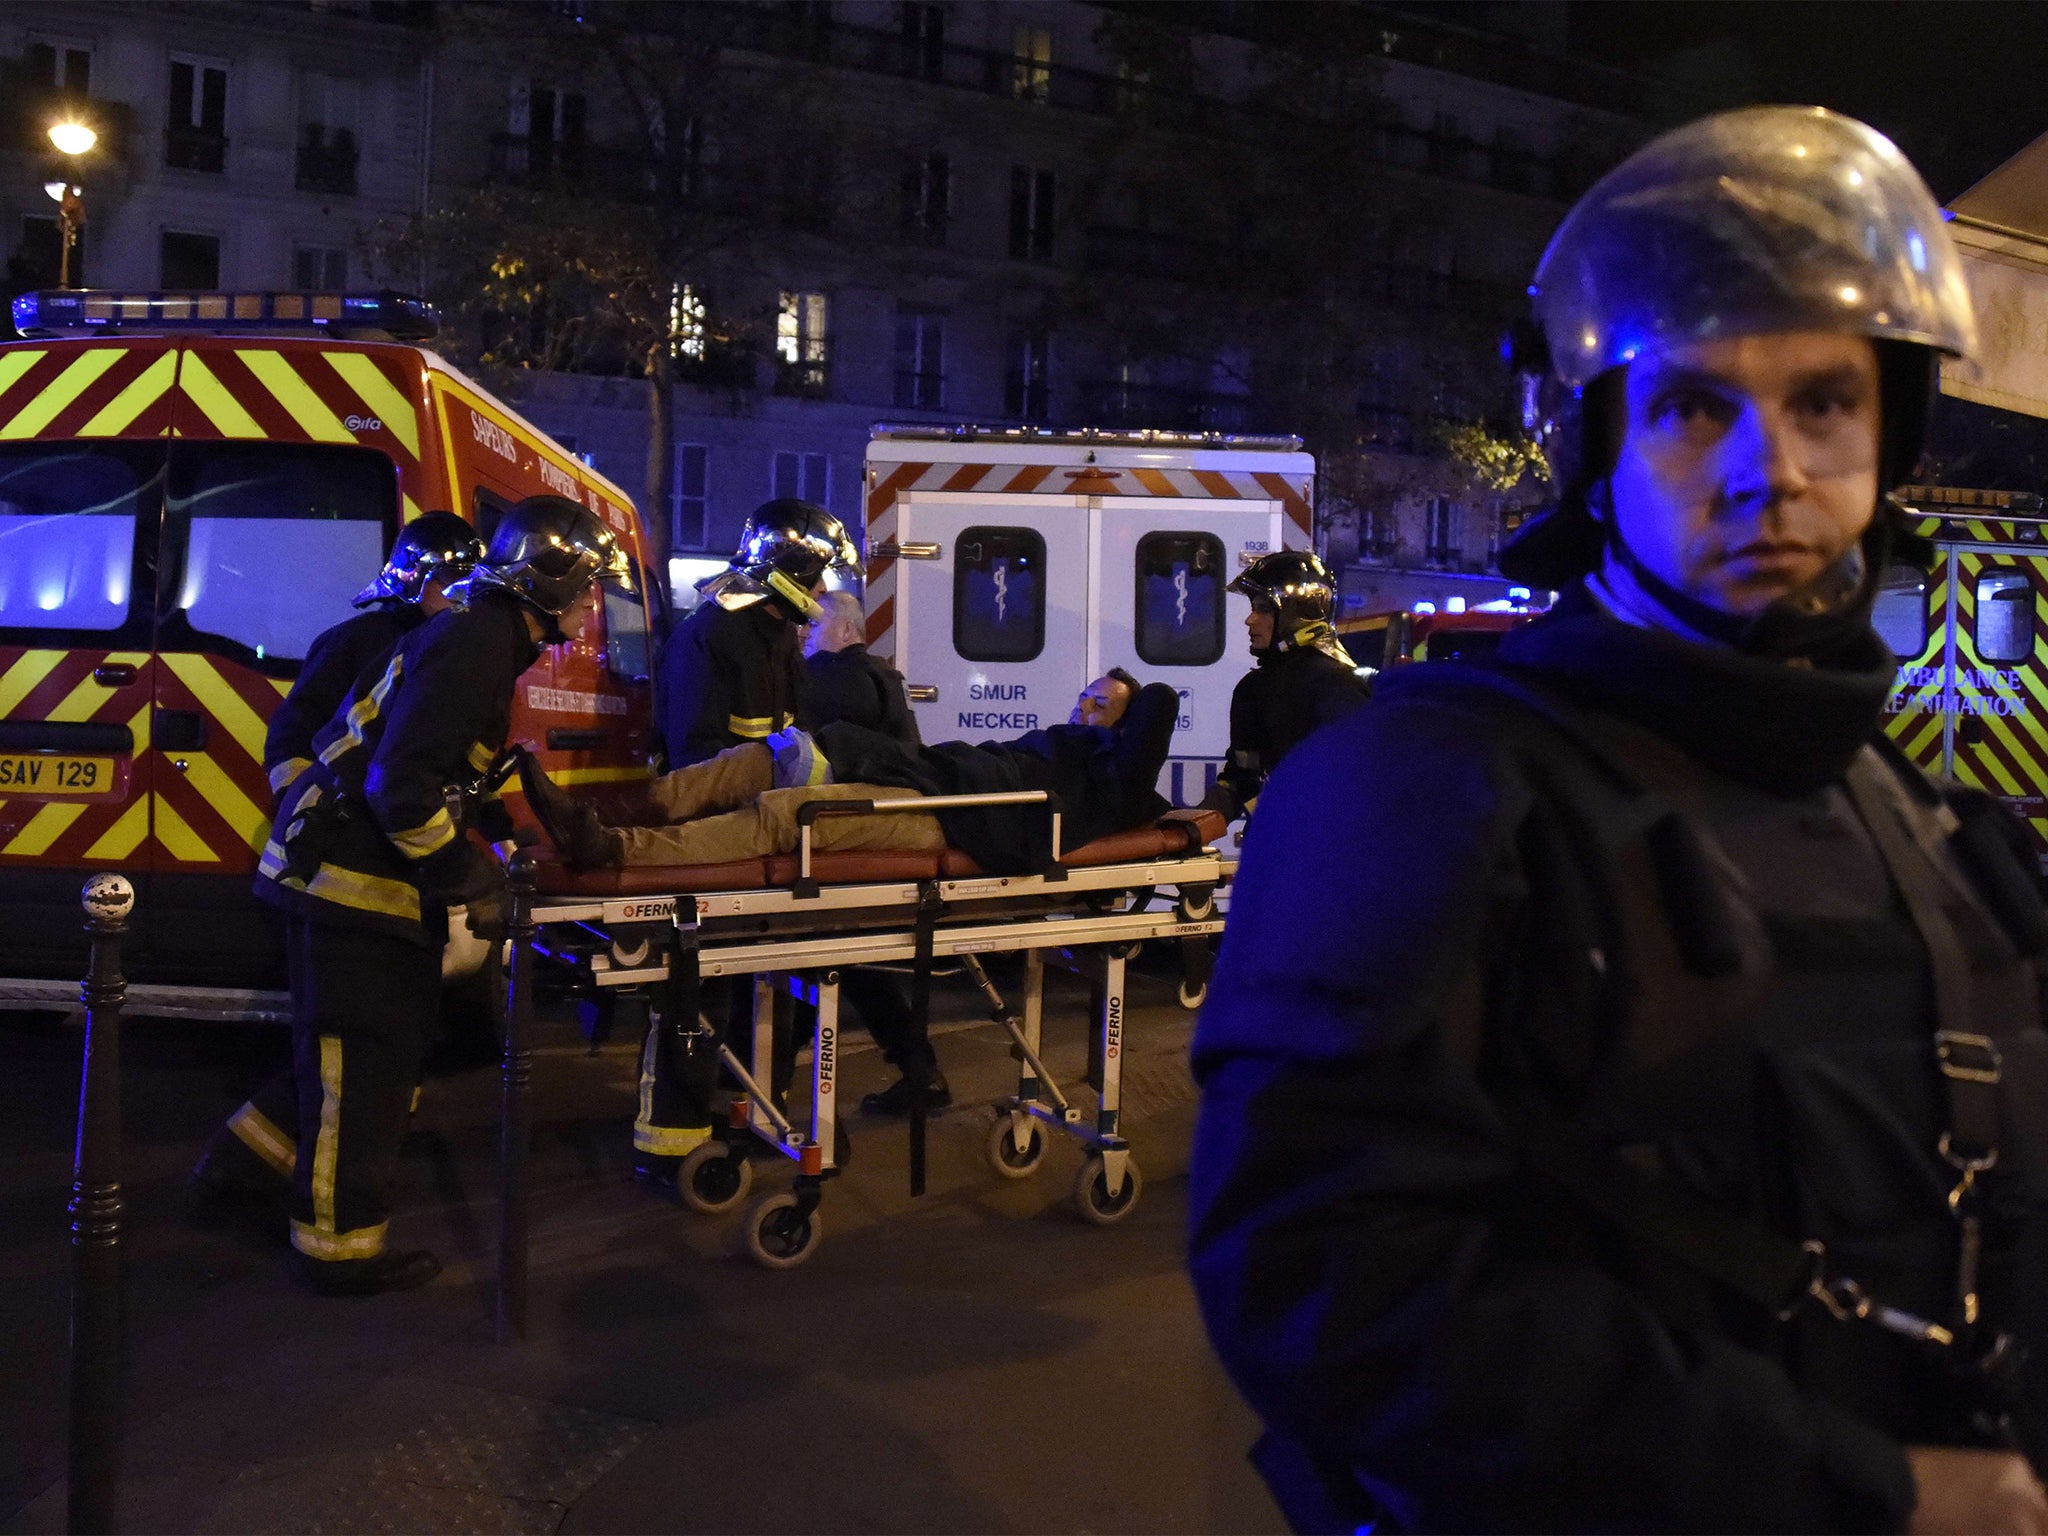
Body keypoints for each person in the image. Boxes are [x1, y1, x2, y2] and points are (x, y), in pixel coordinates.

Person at [1188, 106, 2048, 1534]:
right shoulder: (1423, 786)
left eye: (1824, 402)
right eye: (1696, 406)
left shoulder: (1913, 813)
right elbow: (1328, 1284)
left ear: (1890, 431)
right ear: (1597, 445)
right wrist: (1865, 1491)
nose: (1770, 468)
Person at [210, 494, 635, 1296]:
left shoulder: (485, 638)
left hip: (343, 879)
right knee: (364, 1067)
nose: (591, 604)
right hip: (351, 887)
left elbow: (443, 768)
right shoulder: (480, 643)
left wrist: (505, 837)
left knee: (352, 1054)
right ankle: (338, 1248)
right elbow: (402, 784)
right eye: (585, 586)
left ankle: (238, 1169)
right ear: (544, 581)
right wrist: (461, 881)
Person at [190, 510, 486, 1235]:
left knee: (366, 1052)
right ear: (419, 583)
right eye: (453, 587)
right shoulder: (357, 642)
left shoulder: (440, 642)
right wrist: (330, 820)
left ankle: (243, 1165)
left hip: (389, 874)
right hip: (337, 874)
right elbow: (294, 744)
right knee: (350, 1050)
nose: (464, 601)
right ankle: (284, 1184)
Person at [521, 672, 1173, 877]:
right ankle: (608, 814)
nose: (1082, 707)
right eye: (1084, 695)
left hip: (958, 823)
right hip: (932, 783)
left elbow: (1161, 704)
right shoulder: (1046, 745)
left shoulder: (1116, 784)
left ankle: (610, 849)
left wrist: (1132, 703)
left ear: (1124, 728)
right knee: (762, 757)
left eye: (1102, 705)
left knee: (792, 817)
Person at [263, 511, 485, 800]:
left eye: (468, 582)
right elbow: (292, 731)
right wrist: (301, 804)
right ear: (414, 577)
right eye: (449, 581)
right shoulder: (354, 641)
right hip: (348, 819)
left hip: (407, 814)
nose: (461, 593)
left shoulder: (451, 647)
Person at [658, 498, 859, 768]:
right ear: (791, 572)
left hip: (765, 803)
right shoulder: (711, 636)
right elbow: (694, 756)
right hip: (717, 807)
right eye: (818, 575)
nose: (822, 588)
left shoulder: (782, 635)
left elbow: (798, 728)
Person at [1200, 551, 1369, 824]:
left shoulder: (1337, 686)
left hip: (1325, 849)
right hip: (1277, 845)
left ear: (1299, 613)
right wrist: (1190, 826)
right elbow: (1241, 780)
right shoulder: (1251, 689)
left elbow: (1357, 784)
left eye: (1264, 609)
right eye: (1253, 608)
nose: (1250, 620)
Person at [801, 589, 922, 747]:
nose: (805, 633)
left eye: (814, 625)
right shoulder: (889, 674)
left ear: (847, 630)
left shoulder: (830, 676)